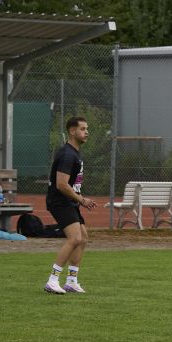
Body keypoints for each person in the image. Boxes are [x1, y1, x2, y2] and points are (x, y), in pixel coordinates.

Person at [44, 116, 96, 294]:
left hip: (69, 201)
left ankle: (71, 281)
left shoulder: (74, 153)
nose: (86, 132)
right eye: (83, 129)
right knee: (74, 238)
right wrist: (81, 200)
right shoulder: (67, 154)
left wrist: (79, 199)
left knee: (83, 238)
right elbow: (61, 184)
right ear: (72, 131)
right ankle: (52, 280)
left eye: (87, 129)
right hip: (60, 202)